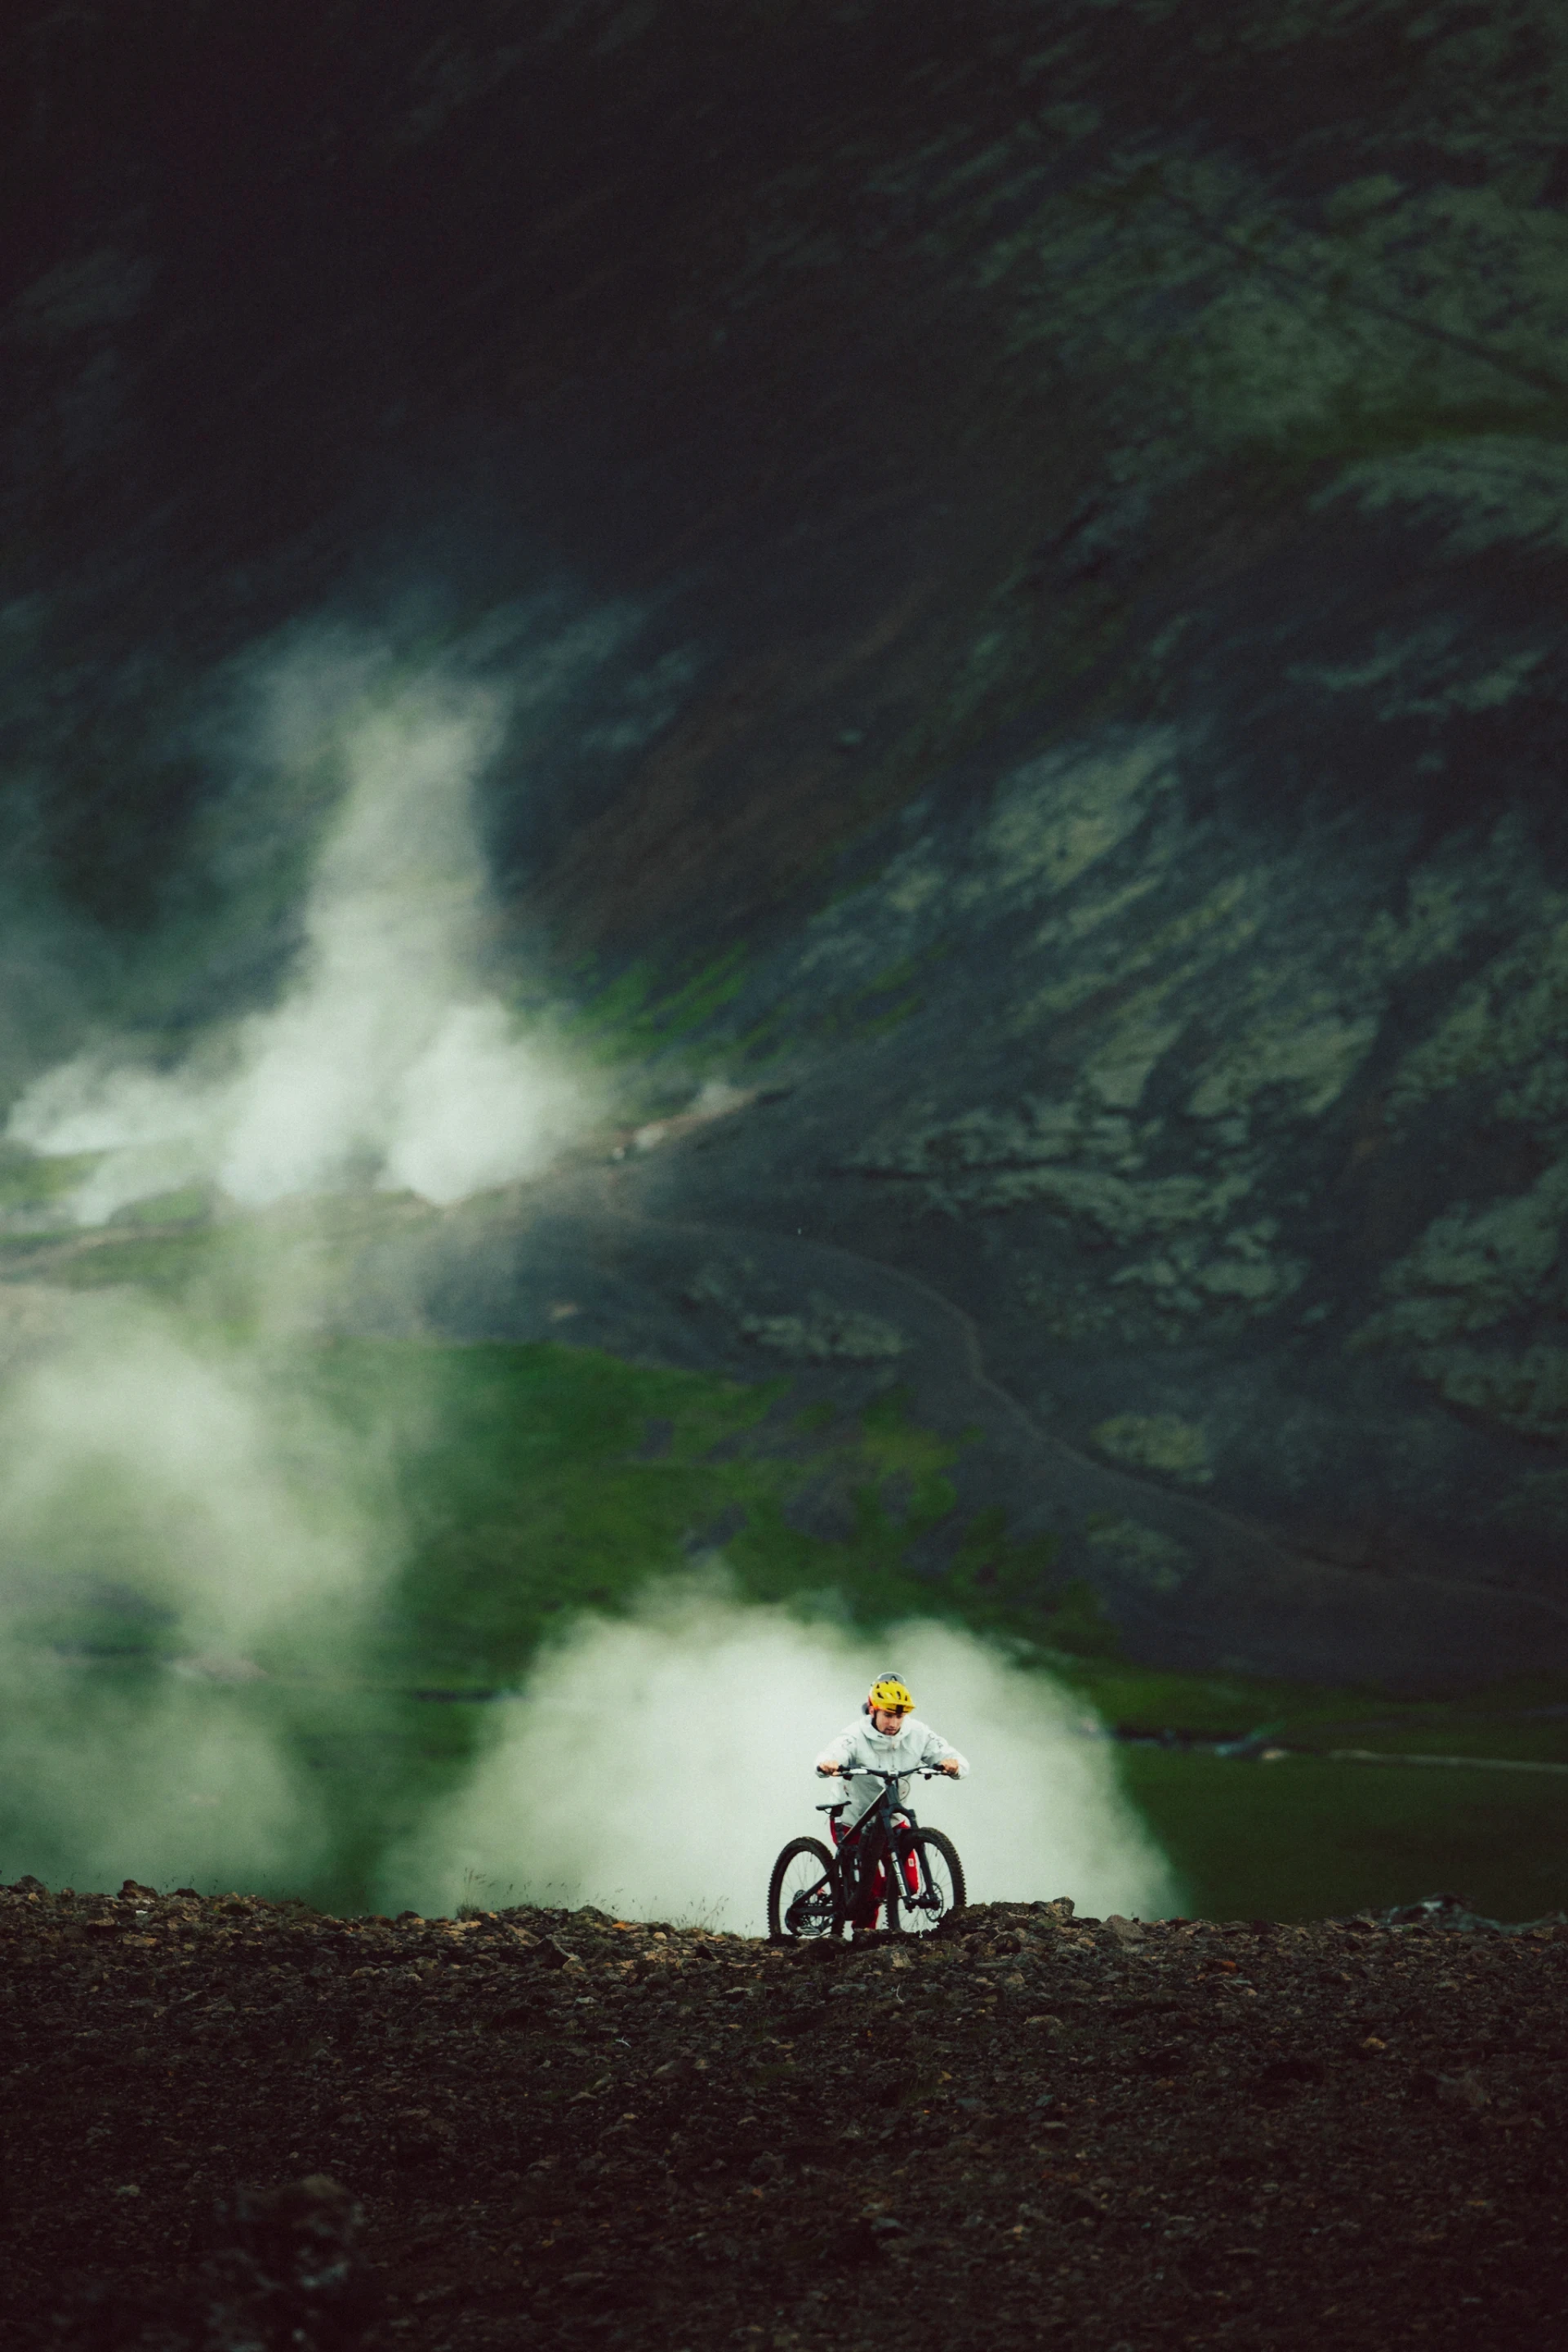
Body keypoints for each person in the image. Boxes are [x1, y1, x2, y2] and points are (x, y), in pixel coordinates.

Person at [815, 1674, 968, 1934]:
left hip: (892, 1817)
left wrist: (953, 1765)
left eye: (900, 1716)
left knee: (910, 1883)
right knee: (870, 1887)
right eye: (888, 1715)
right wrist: (828, 1763)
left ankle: (871, 1896)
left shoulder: (918, 1733)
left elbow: (952, 1756)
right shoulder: (855, 1735)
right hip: (852, 1817)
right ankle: (863, 1935)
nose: (894, 1722)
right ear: (873, 1709)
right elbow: (834, 1752)